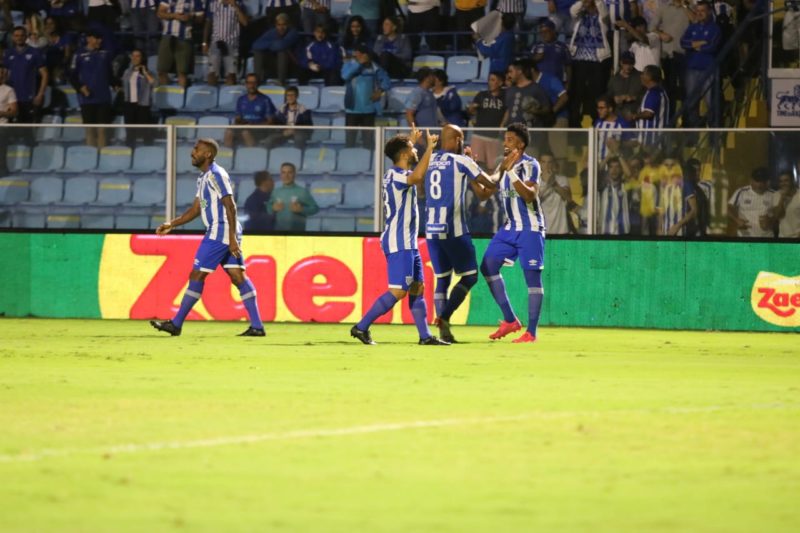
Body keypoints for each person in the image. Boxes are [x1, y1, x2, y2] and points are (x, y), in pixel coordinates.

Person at [150, 138, 266, 337]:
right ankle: (257, 326)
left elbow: (231, 206)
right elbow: (196, 209)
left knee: (197, 275)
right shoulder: (203, 178)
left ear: (208, 154)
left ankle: (176, 324)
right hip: (224, 232)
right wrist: (172, 224)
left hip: (220, 231)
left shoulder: (216, 174)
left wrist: (231, 239)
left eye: (196, 149)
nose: (192, 152)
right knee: (238, 277)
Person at [350, 128, 449, 346]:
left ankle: (425, 336)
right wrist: (429, 149)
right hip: (399, 240)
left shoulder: (395, 173)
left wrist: (410, 141)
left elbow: (411, 168)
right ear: (404, 155)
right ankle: (361, 327)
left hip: (408, 241)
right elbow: (418, 176)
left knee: (417, 288)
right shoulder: (398, 175)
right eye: (412, 149)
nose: (416, 151)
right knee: (398, 290)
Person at [425, 125, 497, 342]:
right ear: (456, 139)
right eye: (462, 139)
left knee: (443, 279)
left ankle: (442, 333)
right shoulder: (461, 162)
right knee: (470, 276)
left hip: (431, 230)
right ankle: (444, 317)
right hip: (454, 229)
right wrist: (505, 168)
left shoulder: (428, 160)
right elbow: (490, 183)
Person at [480, 123, 546, 344]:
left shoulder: (531, 165)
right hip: (509, 228)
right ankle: (510, 320)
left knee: (532, 279)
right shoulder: (503, 165)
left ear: (520, 144)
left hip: (530, 228)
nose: (505, 143)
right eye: (505, 139)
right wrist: (471, 166)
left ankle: (532, 333)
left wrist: (511, 173)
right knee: (488, 266)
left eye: (509, 139)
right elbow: (485, 191)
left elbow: (529, 196)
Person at [567, 0, 612, 128]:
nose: (586, 5)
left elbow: (603, 11)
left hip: (597, 61)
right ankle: (575, 124)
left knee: (596, 93)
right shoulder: (580, 17)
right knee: (577, 93)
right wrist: (583, 1)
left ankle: (596, 122)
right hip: (579, 59)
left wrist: (595, 2)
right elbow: (573, 10)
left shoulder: (602, 19)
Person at [341, 43, 391, 148]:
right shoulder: (349, 64)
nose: (358, 56)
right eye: (356, 55)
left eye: (360, 55)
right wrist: (359, 64)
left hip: (369, 110)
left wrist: (380, 91)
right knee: (350, 142)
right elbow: (345, 76)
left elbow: (386, 81)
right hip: (352, 110)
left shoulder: (374, 67)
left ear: (367, 55)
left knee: (368, 143)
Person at [680, 1, 720, 127]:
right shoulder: (692, 27)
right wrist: (699, 43)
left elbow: (712, 46)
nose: (699, 13)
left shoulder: (715, 28)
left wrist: (693, 45)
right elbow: (683, 43)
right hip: (691, 69)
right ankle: (694, 135)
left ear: (708, 11)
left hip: (708, 70)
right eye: (697, 11)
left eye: (702, 11)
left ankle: (713, 137)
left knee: (710, 104)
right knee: (691, 103)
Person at [71, 30, 114, 148]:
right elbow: (72, 76)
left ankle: (101, 159)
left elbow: (110, 74)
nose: (99, 41)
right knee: (90, 130)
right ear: (89, 39)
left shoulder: (105, 54)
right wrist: (80, 87)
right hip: (87, 98)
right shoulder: (78, 54)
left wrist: (116, 84)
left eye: (100, 38)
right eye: (96, 38)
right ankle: (92, 158)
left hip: (104, 97)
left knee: (102, 130)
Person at [3, 26, 48, 135]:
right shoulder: (9, 53)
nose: (19, 38)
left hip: (28, 97)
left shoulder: (35, 52)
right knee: (11, 133)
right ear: (13, 38)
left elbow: (45, 74)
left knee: (28, 132)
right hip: (12, 99)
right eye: (16, 36)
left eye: (22, 35)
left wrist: (40, 94)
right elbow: (4, 75)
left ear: (26, 37)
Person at [157, 0, 204, 88]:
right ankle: (165, 96)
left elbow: (200, 18)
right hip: (168, 35)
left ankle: (181, 96)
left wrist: (191, 16)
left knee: (182, 72)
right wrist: (174, 15)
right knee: (161, 71)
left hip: (185, 37)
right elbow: (160, 13)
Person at [224, 73, 277, 148]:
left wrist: (253, 126)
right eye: (249, 83)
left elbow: (270, 121)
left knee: (245, 132)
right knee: (229, 131)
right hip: (244, 127)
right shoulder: (241, 99)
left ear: (257, 84)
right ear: (246, 84)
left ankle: (252, 156)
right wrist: (241, 123)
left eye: (254, 83)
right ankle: (228, 157)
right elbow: (238, 118)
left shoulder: (265, 100)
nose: (251, 85)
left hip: (259, 130)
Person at [203, 0, 249, 86]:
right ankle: (212, 95)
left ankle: (229, 96)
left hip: (232, 42)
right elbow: (208, 22)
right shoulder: (213, 3)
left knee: (231, 74)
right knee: (212, 72)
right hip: (215, 42)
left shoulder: (239, 3)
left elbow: (245, 22)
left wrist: (235, 6)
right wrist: (204, 42)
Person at [467, 71, 506, 169]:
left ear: (501, 82)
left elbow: (508, 112)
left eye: (493, 80)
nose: (490, 82)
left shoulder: (505, 96)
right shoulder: (481, 95)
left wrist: (502, 126)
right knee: (475, 165)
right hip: (479, 135)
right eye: (489, 80)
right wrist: (472, 107)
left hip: (495, 137)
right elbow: (470, 112)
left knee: (493, 167)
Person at [266, 162, 319, 231]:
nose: (286, 176)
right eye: (283, 172)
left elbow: (315, 208)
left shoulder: (302, 192)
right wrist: (273, 208)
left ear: (294, 174)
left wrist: (301, 209)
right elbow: (268, 207)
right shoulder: (275, 192)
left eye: (289, 172)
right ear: (280, 175)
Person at [501, 59, 552, 128]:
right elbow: (508, 110)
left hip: (531, 132)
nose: (509, 75)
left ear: (519, 71)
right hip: (513, 132)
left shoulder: (536, 88)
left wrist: (537, 111)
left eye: (510, 71)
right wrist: (502, 126)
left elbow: (547, 109)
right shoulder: (510, 90)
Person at [728, 168, 777, 238]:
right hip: (744, 237)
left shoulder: (774, 194)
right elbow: (727, 208)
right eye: (757, 181)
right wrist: (737, 220)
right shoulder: (742, 192)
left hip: (767, 238)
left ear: (767, 182)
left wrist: (771, 221)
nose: (759, 184)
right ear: (751, 181)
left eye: (762, 181)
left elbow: (780, 215)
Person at [252, 12, 299, 85]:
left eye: (284, 24)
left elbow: (280, 45)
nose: (281, 27)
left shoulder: (293, 32)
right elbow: (255, 45)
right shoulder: (272, 32)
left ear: (288, 24)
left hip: (292, 63)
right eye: (279, 25)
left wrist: (269, 44)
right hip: (273, 62)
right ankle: (257, 81)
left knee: (282, 51)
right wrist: (273, 44)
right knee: (258, 51)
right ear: (276, 25)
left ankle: (281, 81)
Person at [121, 48, 156, 148]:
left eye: (138, 56)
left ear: (142, 58)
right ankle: (130, 151)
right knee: (130, 131)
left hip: (143, 105)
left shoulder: (149, 72)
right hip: (129, 104)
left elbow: (154, 83)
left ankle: (147, 151)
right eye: (133, 56)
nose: (135, 58)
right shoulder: (127, 71)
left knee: (145, 131)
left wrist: (145, 73)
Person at [632, 65, 669, 148]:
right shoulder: (655, 91)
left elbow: (649, 113)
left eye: (644, 73)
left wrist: (635, 116)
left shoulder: (654, 93)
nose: (641, 76)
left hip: (652, 139)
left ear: (650, 77)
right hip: (650, 139)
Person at [265, 85, 313, 149]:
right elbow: (278, 124)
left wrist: (294, 129)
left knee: (299, 138)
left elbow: (308, 126)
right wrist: (283, 131)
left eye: (292, 95)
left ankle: (297, 157)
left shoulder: (304, 110)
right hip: (284, 132)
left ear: (297, 96)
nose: (290, 97)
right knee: (269, 140)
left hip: (298, 132)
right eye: (288, 95)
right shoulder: (282, 109)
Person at [658, 157, 696, 236]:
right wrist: (659, 228)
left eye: (672, 165)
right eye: (666, 165)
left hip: (680, 232)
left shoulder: (685, 184)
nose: (669, 168)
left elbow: (694, 210)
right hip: (664, 232)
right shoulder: (663, 185)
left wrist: (677, 226)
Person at [532, 18, 571, 92]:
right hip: (540, 84)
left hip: (557, 83)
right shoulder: (536, 46)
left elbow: (568, 66)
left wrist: (568, 83)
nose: (544, 34)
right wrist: (536, 58)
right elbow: (529, 64)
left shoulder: (562, 47)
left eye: (546, 31)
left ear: (553, 31)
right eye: (542, 32)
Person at [538, 151, 572, 234]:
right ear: (539, 164)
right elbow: (532, 203)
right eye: (544, 162)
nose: (546, 166)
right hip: (543, 232)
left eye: (549, 162)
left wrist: (553, 183)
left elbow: (568, 198)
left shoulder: (562, 180)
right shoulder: (534, 182)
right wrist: (547, 185)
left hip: (561, 231)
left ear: (553, 164)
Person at [606, 51, 643, 121]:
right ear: (621, 63)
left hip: (635, 117)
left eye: (631, 63)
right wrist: (614, 99)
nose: (628, 66)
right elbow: (608, 97)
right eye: (625, 63)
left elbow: (648, 96)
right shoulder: (614, 79)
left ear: (634, 63)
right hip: (618, 117)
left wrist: (633, 98)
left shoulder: (641, 77)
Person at [594, 94, 631, 163]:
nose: (599, 110)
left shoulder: (622, 123)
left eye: (601, 108)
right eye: (598, 108)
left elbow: (634, 142)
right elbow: (594, 141)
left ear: (610, 109)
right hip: (599, 163)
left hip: (615, 164)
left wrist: (619, 143)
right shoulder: (598, 122)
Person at [597, 156, 630, 235]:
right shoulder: (603, 186)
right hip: (605, 231)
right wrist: (608, 156)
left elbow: (629, 174)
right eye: (611, 167)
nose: (614, 170)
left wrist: (619, 156)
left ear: (621, 169)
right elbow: (595, 172)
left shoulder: (625, 186)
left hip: (622, 231)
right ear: (608, 170)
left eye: (617, 167)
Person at [0, 63, 18, 177]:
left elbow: (14, 111)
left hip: (1, 127)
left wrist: (1, 113)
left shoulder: (8, 90)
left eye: (1, 73)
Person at [772, 171, 800, 239]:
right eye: (781, 181)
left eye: (786, 180)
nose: (783, 183)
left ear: (793, 181)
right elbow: (777, 216)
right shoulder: (776, 195)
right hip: (782, 237)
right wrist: (782, 199)